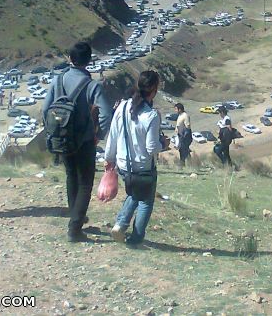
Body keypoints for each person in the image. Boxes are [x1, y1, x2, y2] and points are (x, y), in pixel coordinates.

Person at [42, 42, 112, 243]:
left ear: (70, 59)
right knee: (85, 183)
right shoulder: (92, 85)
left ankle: (76, 215)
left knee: (71, 176)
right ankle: (75, 226)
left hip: (62, 138)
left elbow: (46, 109)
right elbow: (107, 114)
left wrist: (54, 132)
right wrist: (100, 134)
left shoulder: (59, 80)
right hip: (85, 140)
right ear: (88, 61)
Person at [104, 70, 168, 246]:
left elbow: (113, 135)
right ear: (154, 89)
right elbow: (151, 148)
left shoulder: (122, 106)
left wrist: (109, 158)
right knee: (146, 200)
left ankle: (120, 224)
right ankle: (136, 238)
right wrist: (165, 145)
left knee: (134, 193)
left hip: (124, 165)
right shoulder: (151, 115)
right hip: (143, 166)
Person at [174, 103, 192, 167]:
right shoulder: (180, 115)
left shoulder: (185, 115)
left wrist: (184, 136)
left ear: (180, 109)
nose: (175, 110)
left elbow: (187, 126)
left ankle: (184, 164)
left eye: (176, 109)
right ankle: (185, 164)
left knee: (184, 150)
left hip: (185, 136)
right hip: (180, 135)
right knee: (182, 150)